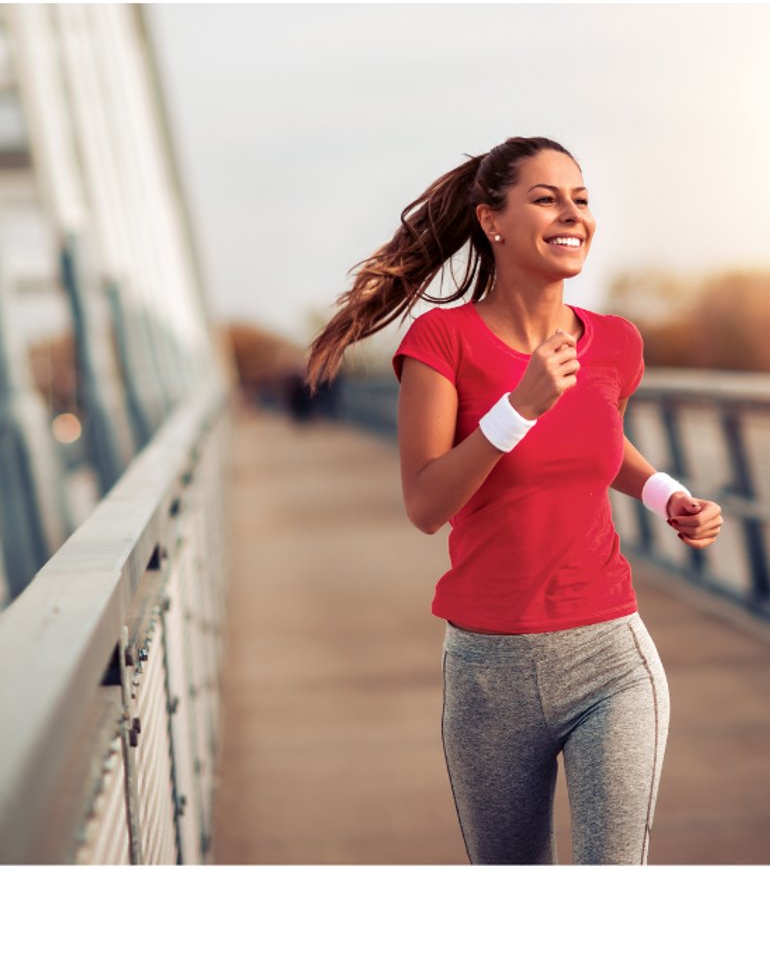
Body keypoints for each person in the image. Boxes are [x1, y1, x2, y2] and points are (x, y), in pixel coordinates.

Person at [303, 136, 724, 864]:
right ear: (491, 220)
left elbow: (598, 441)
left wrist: (667, 495)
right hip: (488, 674)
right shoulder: (442, 340)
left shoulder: (616, 343)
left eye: (581, 199)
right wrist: (517, 408)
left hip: (611, 657)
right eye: (546, 198)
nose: (573, 214)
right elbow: (426, 503)